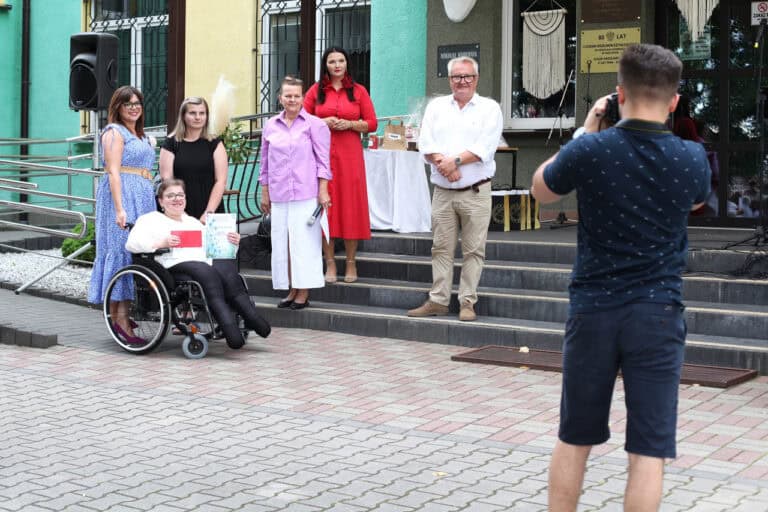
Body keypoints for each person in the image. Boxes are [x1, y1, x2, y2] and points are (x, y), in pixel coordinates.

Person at [530, 44, 711, 511]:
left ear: (618, 94)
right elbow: (693, 202)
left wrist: (589, 126)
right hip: (657, 312)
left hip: (594, 309)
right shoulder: (691, 157)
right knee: (649, 449)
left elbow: (542, 189)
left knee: (574, 437)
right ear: (673, 102)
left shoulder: (592, 148)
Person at [406, 56, 503, 322]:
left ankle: (467, 302)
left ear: (477, 79)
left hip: (476, 191)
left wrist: (454, 161)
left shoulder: (489, 108)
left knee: (474, 250)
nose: (463, 81)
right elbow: (426, 143)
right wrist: (445, 165)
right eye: (457, 77)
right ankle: (438, 300)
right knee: (440, 248)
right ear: (449, 80)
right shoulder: (437, 107)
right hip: (443, 193)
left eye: (468, 76)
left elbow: (486, 147)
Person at [126, 179, 271, 348]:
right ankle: (231, 329)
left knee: (226, 268)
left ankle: (252, 317)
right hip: (172, 264)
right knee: (205, 272)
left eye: (180, 195)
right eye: (170, 196)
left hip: (203, 262)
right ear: (161, 201)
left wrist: (232, 241)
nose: (176, 199)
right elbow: (132, 244)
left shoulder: (192, 222)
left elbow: (215, 247)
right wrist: (162, 243)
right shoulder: (150, 219)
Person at [88, 86, 157, 340]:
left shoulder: (138, 134)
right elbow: (114, 172)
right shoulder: (114, 132)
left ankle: (122, 314)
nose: (134, 107)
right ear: (117, 107)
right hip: (122, 196)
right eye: (128, 104)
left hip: (141, 195)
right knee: (121, 252)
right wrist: (119, 208)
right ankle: (119, 318)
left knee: (134, 253)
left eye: (137, 103)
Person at [303, 46, 377, 284]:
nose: (337, 65)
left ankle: (351, 263)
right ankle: (331, 262)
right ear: (325, 64)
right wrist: (322, 121)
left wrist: (351, 125)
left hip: (350, 156)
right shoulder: (316, 91)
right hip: (322, 157)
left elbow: (372, 123)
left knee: (350, 207)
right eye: (332, 61)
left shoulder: (358, 91)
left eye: (341, 61)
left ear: (347, 64)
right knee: (327, 208)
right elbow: (301, 120)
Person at [260, 76, 331, 309]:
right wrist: (265, 192)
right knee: (283, 243)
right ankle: (291, 288)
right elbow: (265, 163)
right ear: (280, 98)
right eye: (287, 95)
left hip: (306, 192)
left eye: (296, 96)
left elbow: (323, 161)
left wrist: (323, 191)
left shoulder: (315, 125)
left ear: (303, 98)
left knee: (305, 244)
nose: (292, 99)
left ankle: (304, 291)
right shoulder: (271, 126)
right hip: (279, 194)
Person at [159, 96, 228, 222]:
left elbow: (221, 181)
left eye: (202, 113)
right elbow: (167, 180)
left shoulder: (215, 143)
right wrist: (180, 212)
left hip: (210, 206)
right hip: (178, 206)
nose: (198, 117)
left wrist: (209, 212)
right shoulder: (171, 143)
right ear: (183, 116)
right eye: (192, 113)